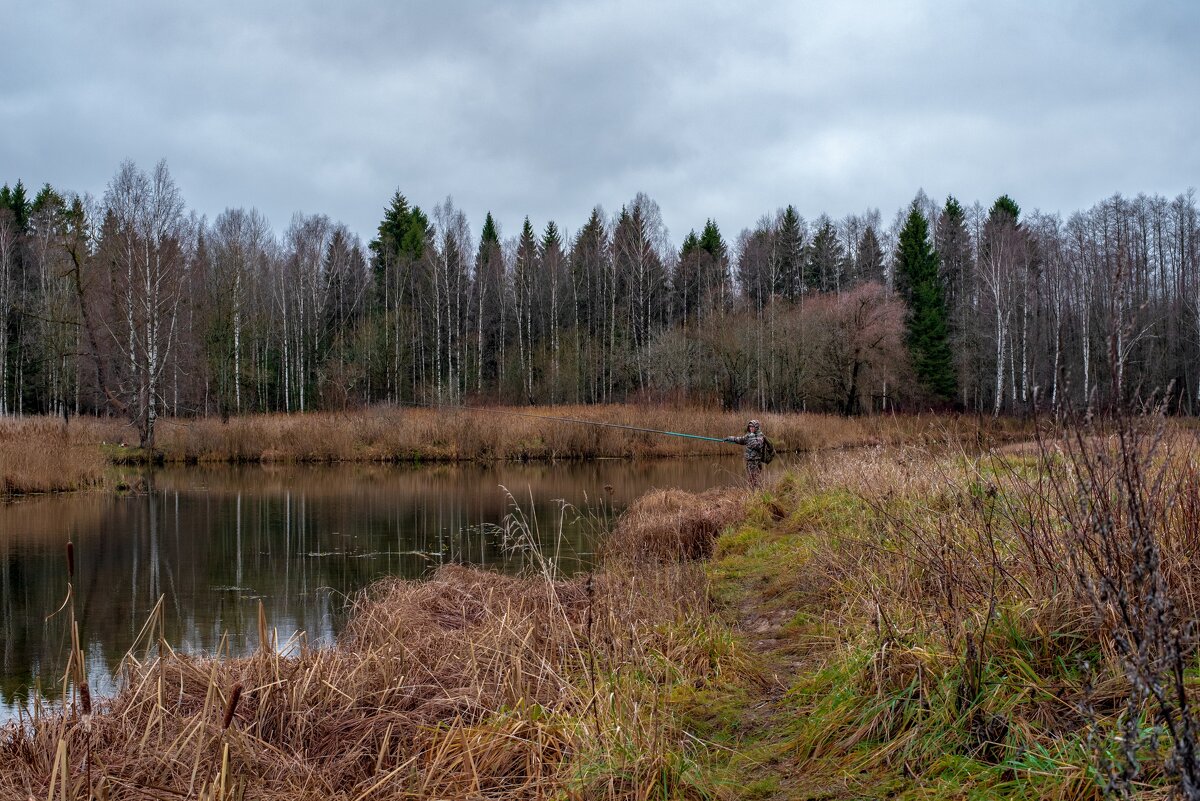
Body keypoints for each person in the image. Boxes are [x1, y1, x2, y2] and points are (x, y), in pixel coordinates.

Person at [724, 419, 766, 488]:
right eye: (750, 426)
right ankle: (754, 493)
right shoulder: (749, 435)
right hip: (749, 461)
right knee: (751, 478)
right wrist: (730, 438)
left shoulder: (760, 436)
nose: (751, 428)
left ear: (756, 427)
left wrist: (752, 437)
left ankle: (754, 494)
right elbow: (740, 440)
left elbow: (757, 446)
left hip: (755, 461)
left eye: (753, 427)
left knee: (753, 479)